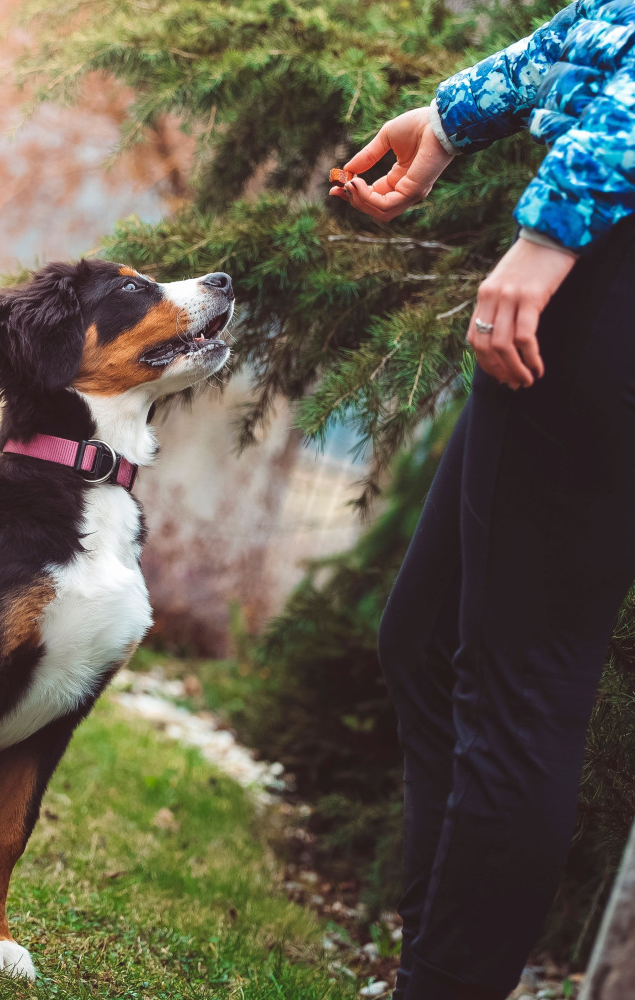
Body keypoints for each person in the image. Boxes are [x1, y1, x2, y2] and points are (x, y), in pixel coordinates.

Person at [331, 2, 635, 998]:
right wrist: (452, 116)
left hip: (607, 268)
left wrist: (551, 232)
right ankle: (433, 967)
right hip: (599, 255)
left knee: (522, 689)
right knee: (424, 640)